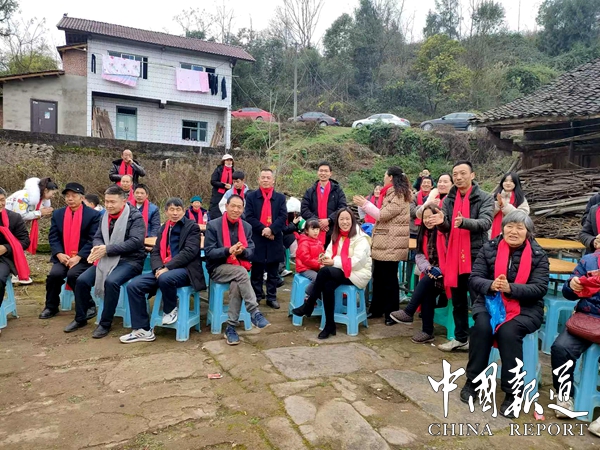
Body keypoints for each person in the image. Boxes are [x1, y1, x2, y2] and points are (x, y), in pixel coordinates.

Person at [460, 210, 548, 418]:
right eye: (509, 226)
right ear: (502, 229)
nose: (514, 231)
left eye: (520, 228)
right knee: (482, 327)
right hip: (490, 302)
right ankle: (474, 380)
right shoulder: (489, 248)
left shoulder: (538, 255)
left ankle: (513, 392)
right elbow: (475, 278)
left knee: (508, 332)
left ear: (528, 232)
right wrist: (492, 285)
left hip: (526, 308)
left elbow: (539, 288)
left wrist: (511, 288)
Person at [121, 198, 207, 343]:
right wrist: (158, 268)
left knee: (165, 278)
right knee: (134, 286)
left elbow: (189, 252)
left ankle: (170, 309)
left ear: (183, 211)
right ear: (166, 212)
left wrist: (167, 268)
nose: (175, 213)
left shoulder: (192, 227)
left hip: (186, 270)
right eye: (171, 210)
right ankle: (142, 330)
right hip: (163, 270)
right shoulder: (164, 228)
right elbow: (155, 251)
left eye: (178, 209)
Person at [64, 185, 146, 339]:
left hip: (130, 260)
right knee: (81, 280)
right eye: (107, 201)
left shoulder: (135, 217)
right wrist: (98, 248)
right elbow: (97, 236)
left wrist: (107, 249)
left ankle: (105, 323)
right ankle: (80, 318)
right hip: (107, 259)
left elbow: (136, 242)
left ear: (124, 201)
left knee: (111, 282)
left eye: (113, 202)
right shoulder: (105, 216)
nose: (108, 205)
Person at [430, 161, 494, 352]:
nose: (458, 177)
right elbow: (447, 227)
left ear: (472, 175)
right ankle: (461, 338)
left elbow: (486, 223)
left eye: (463, 173)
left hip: (477, 256)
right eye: (455, 174)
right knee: (458, 301)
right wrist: (442, 222)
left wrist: (464, 222)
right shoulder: (449, 199)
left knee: (478, 300)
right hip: (454, 256)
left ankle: (483, 340)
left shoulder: (484, 197)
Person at [292, 208, 372, 339]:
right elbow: (329, 253)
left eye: (347, 219)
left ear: (352, 220)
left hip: (357, 274)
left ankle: (309, 305)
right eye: (341, 219)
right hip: (341, 271)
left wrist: (333, 261)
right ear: (337, 221)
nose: (344, 222)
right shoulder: (337, 236)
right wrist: (324, 259)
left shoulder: (361, 238)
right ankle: (329, 325)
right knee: (327, 284)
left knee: (324, 272)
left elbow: (357, 262)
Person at [204, 194, 271, 345]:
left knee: (236, 284)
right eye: (233, 206)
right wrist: (228, 250)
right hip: (218, 268)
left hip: (238, 268)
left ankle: (230, 327)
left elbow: (251, 251)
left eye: (239, 207)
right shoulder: (213, 225)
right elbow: (209, 252)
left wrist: (242, 252)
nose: (235, 210)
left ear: (243, 209)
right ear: (226, 206)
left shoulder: (246, 227)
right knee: (241, 272)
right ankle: (254, 312)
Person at [550, 238, 600, 436]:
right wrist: (572, 285)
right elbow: (568, 293)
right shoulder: (589, 261)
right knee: (561, 348)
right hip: (587, 317)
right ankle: (564, 395)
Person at [353, 166, 411, 325]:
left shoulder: (399, 194)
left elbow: (382, 215)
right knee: (378, 277)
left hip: (392, 242)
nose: (384, 178)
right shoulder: (390, 193)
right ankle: (377, 308)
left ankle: (391, 313)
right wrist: (364, 206)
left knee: (389, 279)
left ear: (390, 177)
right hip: (384, 241)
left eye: (385, 175)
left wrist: (365, 204)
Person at [40, 183, 101, 320]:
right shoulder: (58, 214)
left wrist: (78, 257)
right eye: (67, 196)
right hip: (63, 256)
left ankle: (88, 305)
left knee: (74, 275)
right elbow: (53, 236)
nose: (70, 199)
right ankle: (51, 306)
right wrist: (59, 254)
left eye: (73, 196)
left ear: (82, 198)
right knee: (54, 275)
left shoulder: (93, 215)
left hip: (84, 258)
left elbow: (93, 239)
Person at [390, 205, 449, 343]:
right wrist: (428, 268)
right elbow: (419, 255)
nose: (428, 220)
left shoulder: (444, 232)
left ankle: (409, 311)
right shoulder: (423, 233)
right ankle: (427, 332)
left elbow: (450, 255)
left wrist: (440, 269)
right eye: (425, 217)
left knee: (427, 282)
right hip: (432, 274)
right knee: (428, 290)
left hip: (447, 273)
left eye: (431, 217)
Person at [245, 168, 288, 309]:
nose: (265, 180)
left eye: (268, 177)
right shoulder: (251, 197)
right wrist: (263, 229)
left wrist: (271, 229)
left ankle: (271, 297)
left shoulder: (280, 198)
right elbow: (249, 216)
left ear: (273, 180)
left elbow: (283, 216)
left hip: (275, 237)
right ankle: (257, 296)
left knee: (273, 271)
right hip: (257, 236)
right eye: (263, 177)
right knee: (257, 269)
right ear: (258, 179)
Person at [0, 187, 30, 335]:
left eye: (2, 200)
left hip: (4, 259)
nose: (0, 204)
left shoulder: (14, 218)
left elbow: (25, 241)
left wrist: (6, 248)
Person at [6, 177, 58, 259]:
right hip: (7, 224)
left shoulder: (38, 199)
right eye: (53, 193)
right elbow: (20, 215)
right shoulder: (24, 196)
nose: (53, 196)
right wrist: (40, 213)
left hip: (13, 225)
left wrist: (43, 212)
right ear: (46, 190)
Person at [301, 161, 347, 248]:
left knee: (332, 254)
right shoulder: (310, 191)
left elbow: (343, 207)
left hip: (333, 230)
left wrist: (329, 220)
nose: (323, 173)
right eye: (321, 171)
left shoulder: (337, 191)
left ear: (330, 173)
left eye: (326, 171)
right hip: (313, 231)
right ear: (317, 172)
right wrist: (318, 222)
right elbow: (304, 210)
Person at [490, 172, 530, 239]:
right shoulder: (493, 196)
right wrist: (497, 205)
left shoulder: (520, 198)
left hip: (512, 233)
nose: (508, 183)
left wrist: (505, 206)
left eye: (511, 181)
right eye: (505, 181)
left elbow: (523, 215)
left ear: (516, 183)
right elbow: (485, 214)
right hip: (491, 232)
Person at [295, 218, 324, 297]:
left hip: (315, 267)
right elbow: (306, 259)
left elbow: (322, 255)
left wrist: (324, 261)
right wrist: (318, 265)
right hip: (305, 268)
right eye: (313, 229)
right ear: (307, 231)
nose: (315, 231)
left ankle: (320, 295)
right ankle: (308, 294)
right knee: (317, 278)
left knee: (326, 275)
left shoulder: (319, 242)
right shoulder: (304, 243)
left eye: (317, 229)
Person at [209, 154, 235, 220]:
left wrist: (231, 186)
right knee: (215, 209)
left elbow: (235, 183)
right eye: (227, 160)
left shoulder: (233, 171)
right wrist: (223, 185)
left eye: (230, 160)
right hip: (218, 193)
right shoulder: (218, 170)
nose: (229, 162)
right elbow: (213, 181)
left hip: (229, 193)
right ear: (224, 161)